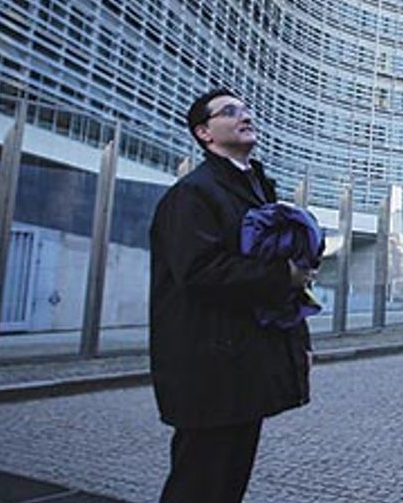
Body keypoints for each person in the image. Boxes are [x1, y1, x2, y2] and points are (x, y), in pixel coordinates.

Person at [149, 89, 315, 503]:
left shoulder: (253, 188)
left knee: (227, 483)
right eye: (230, 112)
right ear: (204, 133)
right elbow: (201, 271)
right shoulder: (193, 194)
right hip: (208, 366)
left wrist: (298, 345)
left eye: (246, 109)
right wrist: (285, 275)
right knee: (199, 484)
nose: (245, 116)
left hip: (242, 364)